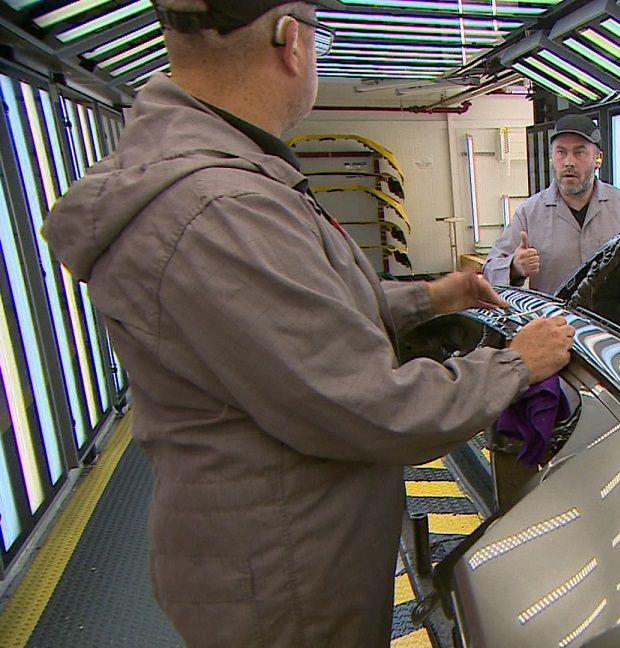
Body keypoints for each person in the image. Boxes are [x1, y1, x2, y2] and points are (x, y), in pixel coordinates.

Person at [41, 1, 574, 645]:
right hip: (288, 576)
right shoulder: (223, 207)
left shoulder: (218, 174)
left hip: (273, 548)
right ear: (290, 41)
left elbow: (299, 315)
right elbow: (371, 407)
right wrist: (516, 363)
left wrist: (431, 297)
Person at [484, 113, 620, 294]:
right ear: (552, 157)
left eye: (579, 152)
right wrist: (515, 267)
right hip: (555, 320)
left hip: (612, 321)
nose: (569, 162)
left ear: (598, 159)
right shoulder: (529, 213)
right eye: (561, 152)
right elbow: (490, 271)